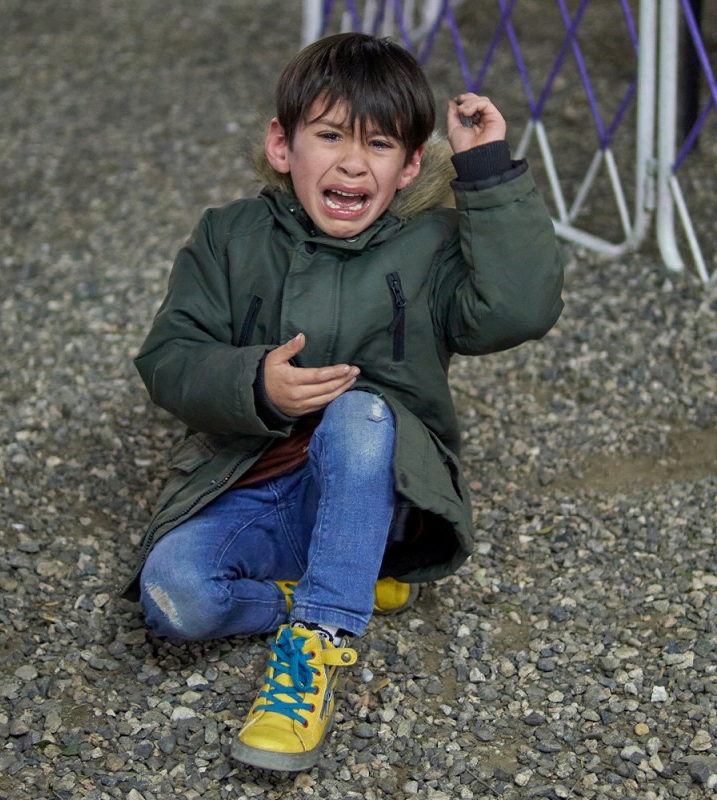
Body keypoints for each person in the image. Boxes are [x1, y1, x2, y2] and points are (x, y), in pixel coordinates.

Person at [121, 32, 564, 772]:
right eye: (329, 137)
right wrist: (253, 381)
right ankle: (331, 584)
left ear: (411, 165)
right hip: (251, 477)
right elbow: (168, 358)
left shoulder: (430, 246)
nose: (353, 162)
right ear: (281, 145)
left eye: (380, 144)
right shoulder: (229, 237)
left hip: (372, 485)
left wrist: (484, 169)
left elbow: (522, 308)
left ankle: (320, 639)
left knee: (361, 410)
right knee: (174, 600)